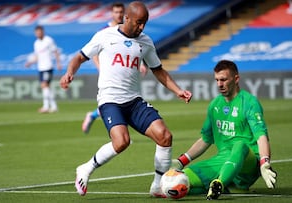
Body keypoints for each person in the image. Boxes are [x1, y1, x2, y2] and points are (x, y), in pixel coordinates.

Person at [60, 1, 192, 197]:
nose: (142, 27)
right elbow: (79, 57)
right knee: (122, 141)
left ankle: (157, 186)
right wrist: (69, 73)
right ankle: (85, 168)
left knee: (165, 136)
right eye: (139, 22)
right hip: (110, 100)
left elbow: (158, 70)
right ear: (126, 18)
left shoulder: (146, 41)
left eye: (145, 23)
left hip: (134, 101)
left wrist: (177, 90)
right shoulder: (104, 36)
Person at [171, 60, 277, 200]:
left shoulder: (249, 102)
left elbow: (261, 136)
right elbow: (206, 139)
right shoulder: (215, 105)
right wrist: (181, 161)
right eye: (217, 80)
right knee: (178, 181)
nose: (219, 84)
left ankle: (219, 183)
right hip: (223, 161)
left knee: (240, 145)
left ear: (236, 79)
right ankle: (223, 186)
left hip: (248, 163)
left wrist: (264, 162)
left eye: (223, 80)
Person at [81, 2, 148, 134]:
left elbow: (132, 50)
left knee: (126, 99)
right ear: (112, 14)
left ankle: (94, 116)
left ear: (125, 14)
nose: (118, 15)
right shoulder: (104, 31)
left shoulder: (130, 30)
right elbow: (93, 52)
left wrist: (141, 64)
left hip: (126, 71)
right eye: (116, 12)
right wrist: (101, 68)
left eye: (121, 12)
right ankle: (97, 118)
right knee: (113, 100)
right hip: (109, 73)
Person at [25, 25, 62, 113]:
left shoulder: (48, 40)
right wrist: (30, 62)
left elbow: (55, 51)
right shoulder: (36, 43)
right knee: (46, 87)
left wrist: (58, 63)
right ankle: (54, 106)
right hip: (40, 67)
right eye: (37, 32)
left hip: (48, 66)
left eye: (40, 32)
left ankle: (46, 106)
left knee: (44, 85)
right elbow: (37, 56)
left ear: (43, 32)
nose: (38, 33)